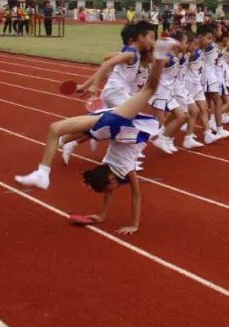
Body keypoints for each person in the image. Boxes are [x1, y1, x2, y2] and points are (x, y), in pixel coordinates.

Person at [14, 38, 180, 234]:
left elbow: (136, 195)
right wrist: (104, 216)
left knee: (149, 89)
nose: (111, 192)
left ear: (110, 177)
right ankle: (46, 169)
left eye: (109, 189)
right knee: (56, 128)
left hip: (117, 125)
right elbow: (124, 193)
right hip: (114, 127)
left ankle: (44, 171)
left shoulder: (123, 169)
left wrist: (130, 223)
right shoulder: (113, 167)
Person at [77, 21, 157, 108]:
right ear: (140, 38)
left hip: (112, 92)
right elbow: (106, 63)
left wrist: (84, 85)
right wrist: (94, 86)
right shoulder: (130, 54)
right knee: (133, 115)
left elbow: (107, 67)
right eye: (152, 38)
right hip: (117, 92)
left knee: (103, 120)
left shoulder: (134, 54)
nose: (153, 42)